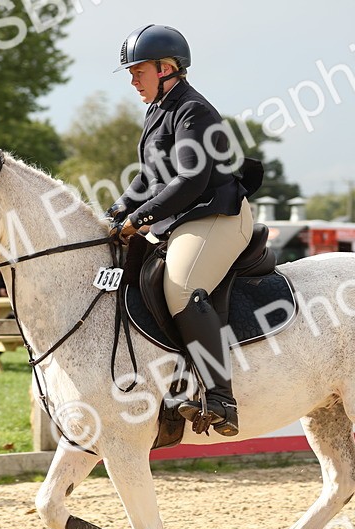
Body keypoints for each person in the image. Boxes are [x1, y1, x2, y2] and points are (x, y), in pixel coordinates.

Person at [107, 24, 256, 436]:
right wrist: (118, 209)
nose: (133, 80)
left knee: (181, 286)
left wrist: (141, 217)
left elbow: (190, 179)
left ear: (166, 67)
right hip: (184, 216)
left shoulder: (192, 110)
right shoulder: (159, 110)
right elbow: (150, 178)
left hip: (217, 216)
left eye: (138, 71)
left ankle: (221, 396)